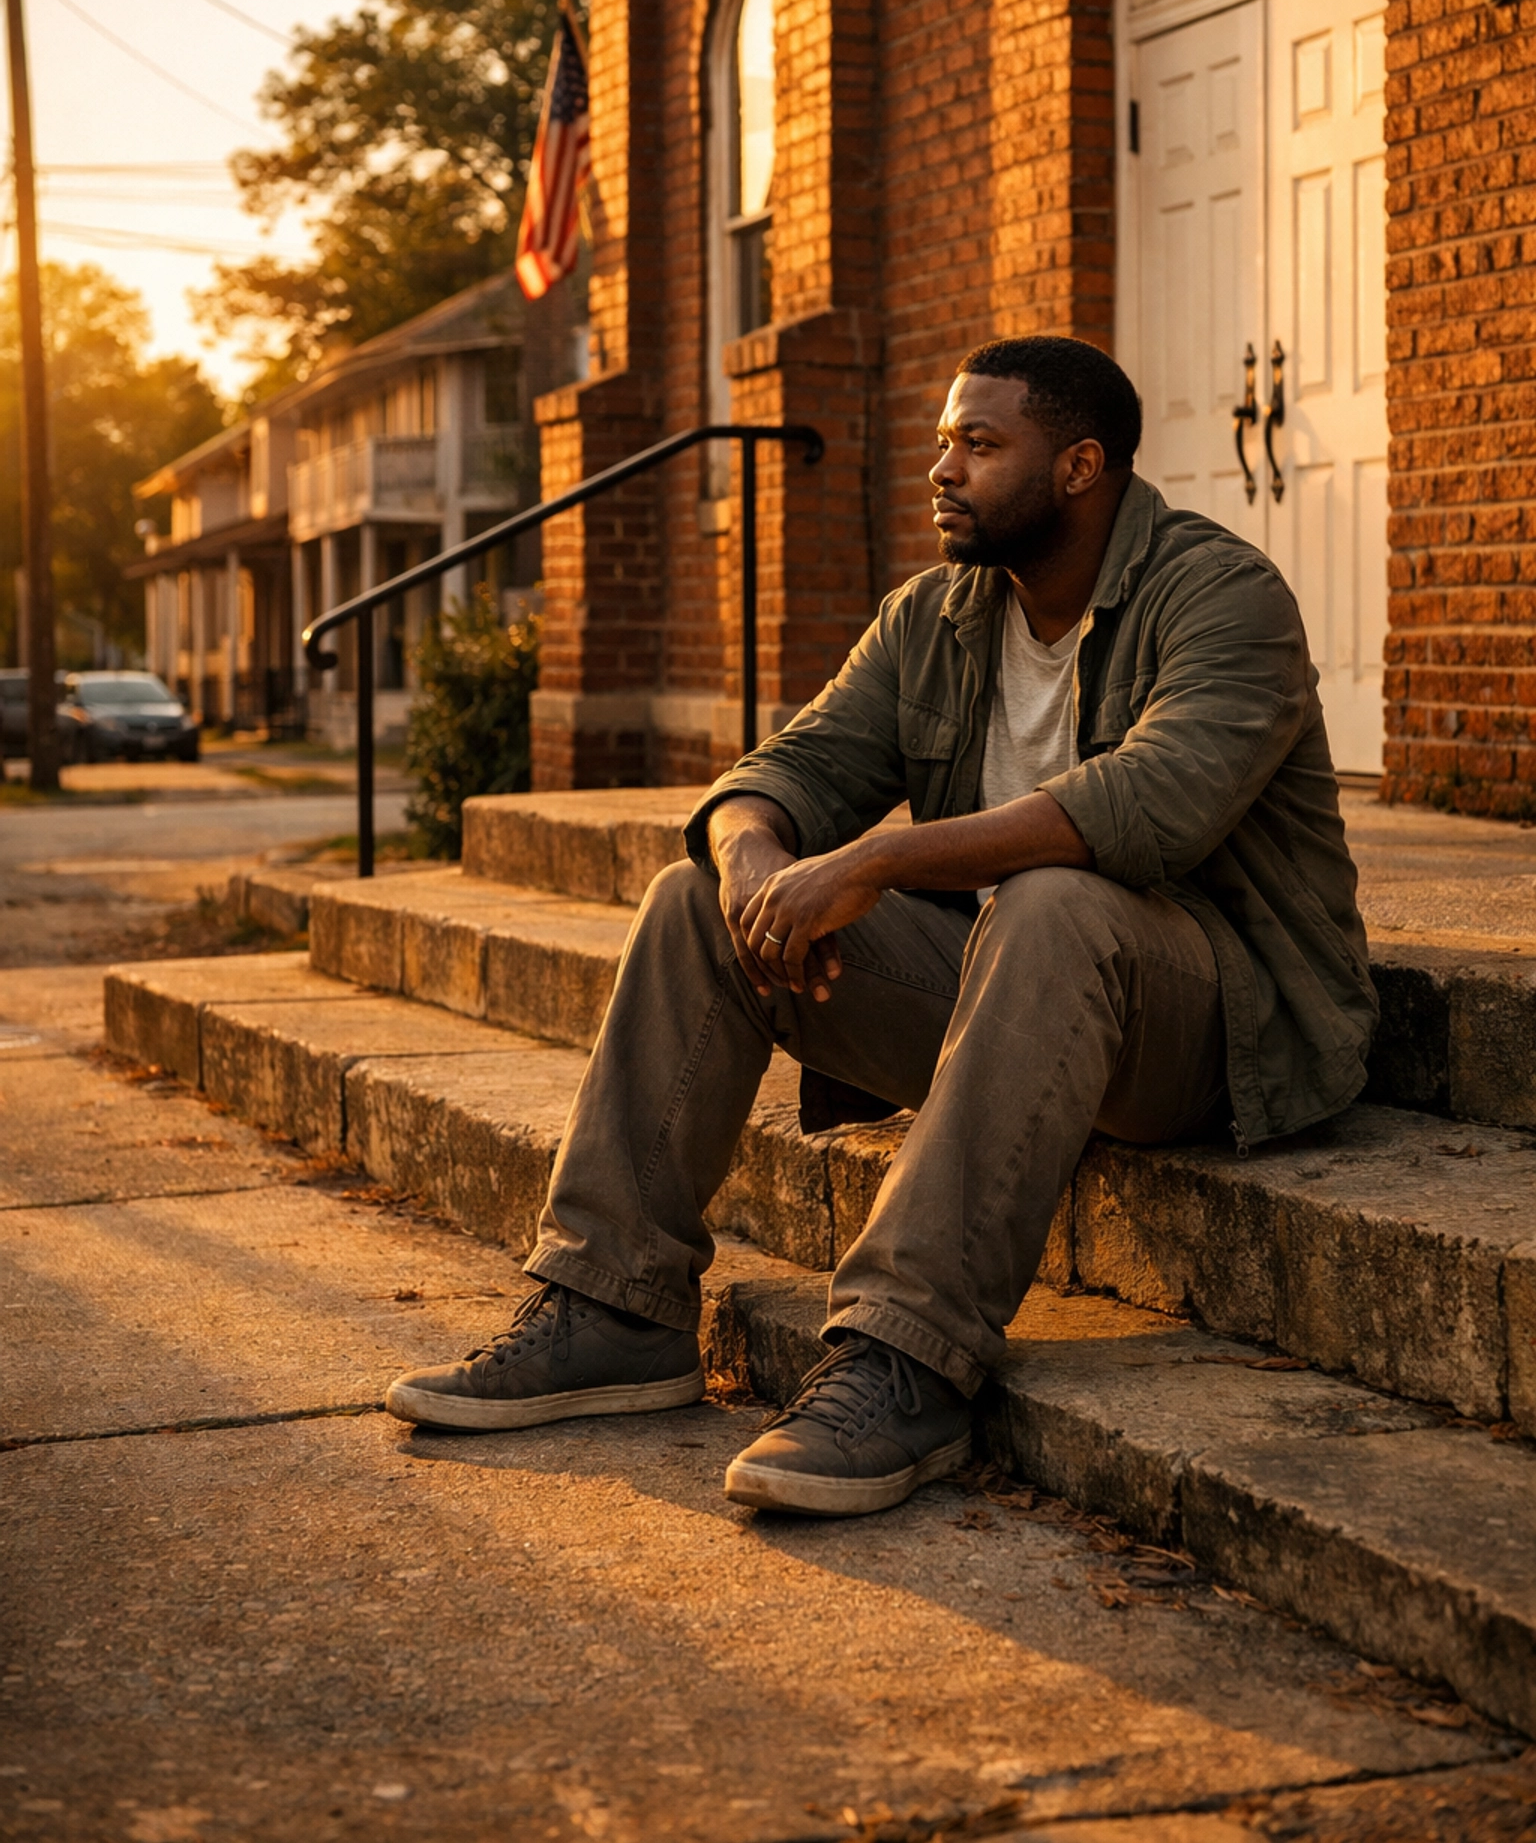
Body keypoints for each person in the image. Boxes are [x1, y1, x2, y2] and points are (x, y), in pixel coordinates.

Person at [386, 335, 1376, 1516]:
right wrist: (757, 857)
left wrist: (875, 859)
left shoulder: (1221, 595)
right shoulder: (936, 615)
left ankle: (906, 1360)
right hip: (1016, 1003)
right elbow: (791, 765)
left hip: (1212, 1026)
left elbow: (1150, 806)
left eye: (979, 442)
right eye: (942, 440)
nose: (940, 470)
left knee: (1056, 899)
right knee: (696, 901)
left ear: (1080, 467)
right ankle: (611, 1306)